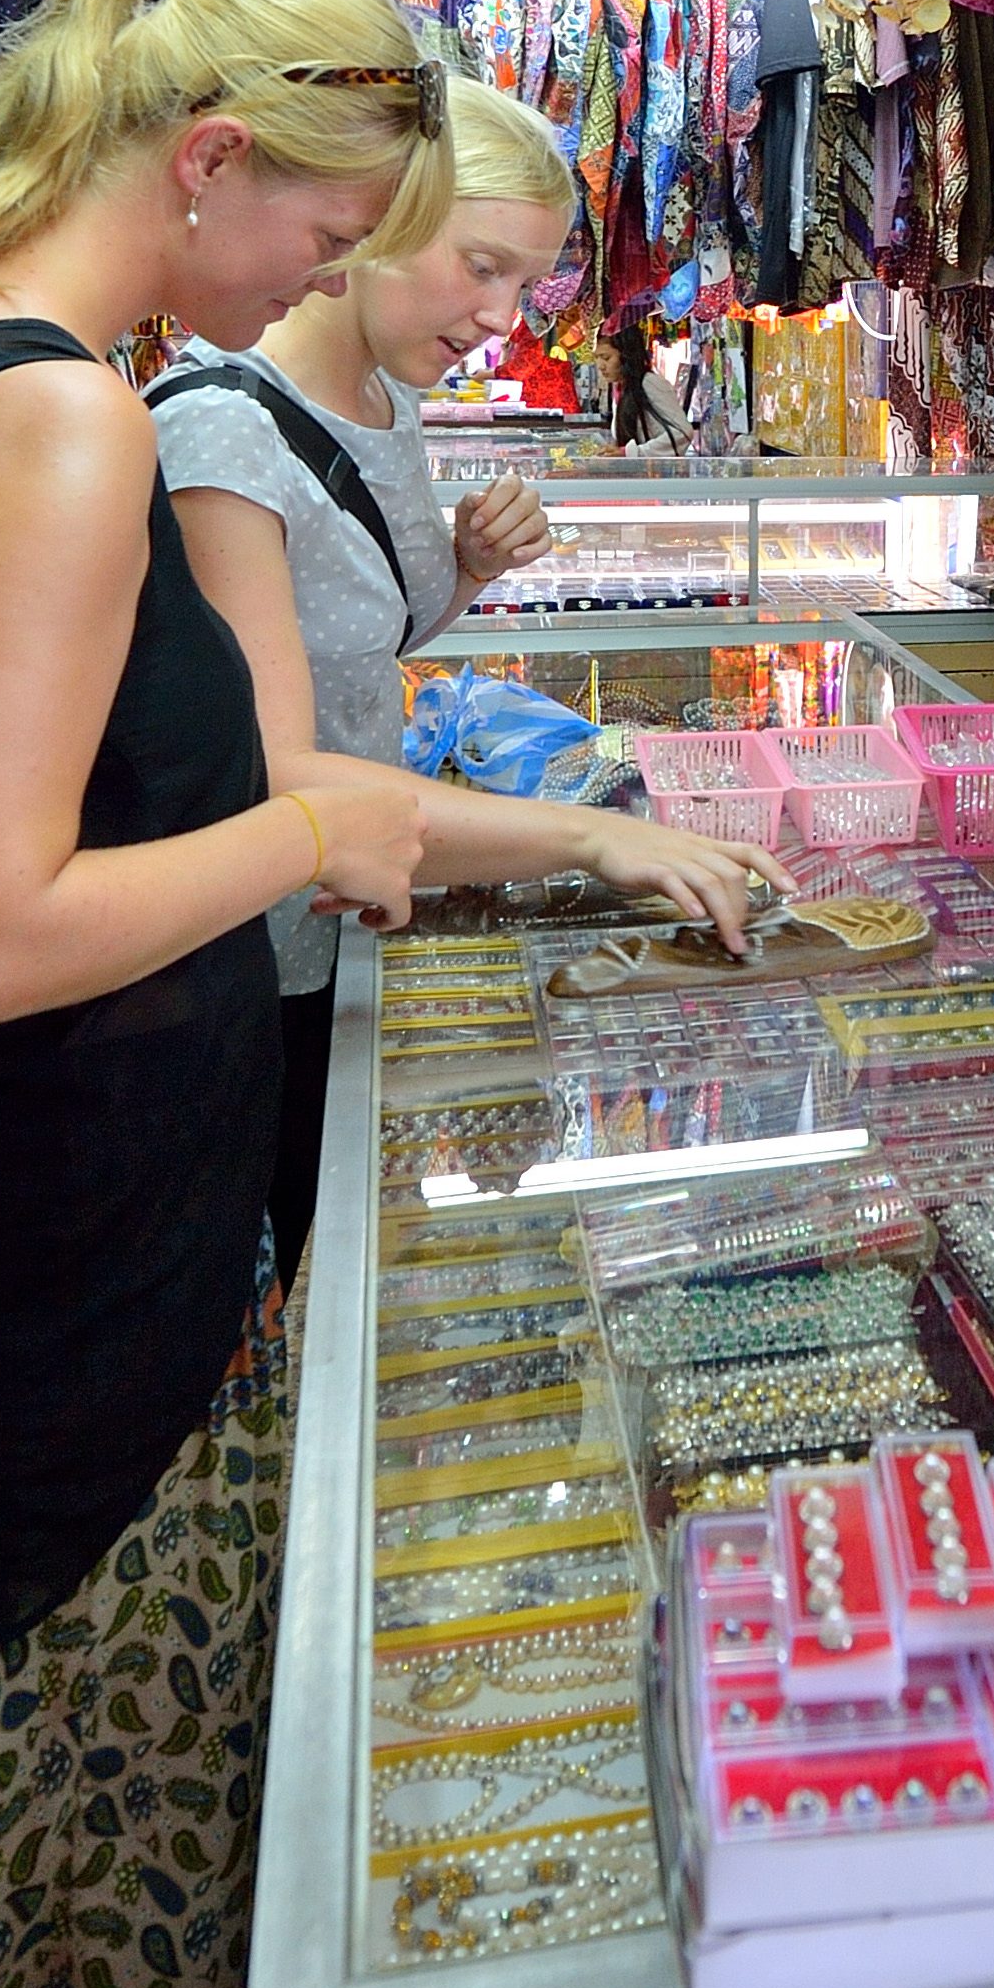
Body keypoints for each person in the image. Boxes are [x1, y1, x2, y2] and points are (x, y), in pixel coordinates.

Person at [0, 0, 447, 1988]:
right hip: (48, 1305)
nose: (312, 289)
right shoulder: (60, 426)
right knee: (82, 1898)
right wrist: (315, 829)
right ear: (208, 160)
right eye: (320, 237)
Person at [154, 74, 779, 1269]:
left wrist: (465, 572)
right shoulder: (220, 429)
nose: (504, 316)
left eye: (524, 283)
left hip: (341, 916)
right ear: (381, 220)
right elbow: (276, 768)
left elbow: (358, 643)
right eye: (479, 266)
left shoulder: (383, 397)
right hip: (237, 946)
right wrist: (594, 842)